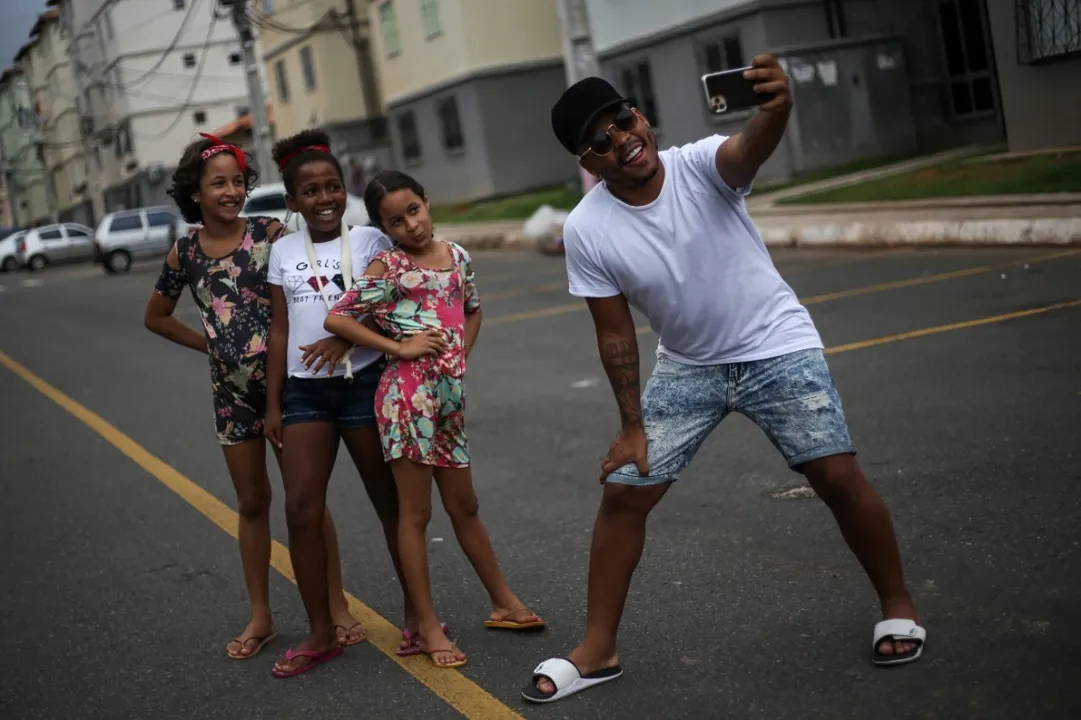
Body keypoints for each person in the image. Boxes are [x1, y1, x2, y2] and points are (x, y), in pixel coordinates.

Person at [522, 56, 925, 704]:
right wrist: (630, 428)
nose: (620, 139)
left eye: (622, 118)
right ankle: (598, 649)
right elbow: (614, 333)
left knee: (836, 476)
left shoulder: (698, 164)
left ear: (640, 115)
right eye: (598, 139)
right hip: (688, 366)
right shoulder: (587, 230)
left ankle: (897, 603)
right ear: (586, 162)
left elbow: (746, 150)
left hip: (774, 344)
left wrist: (776, 107)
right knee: (625, 492)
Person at [143, 133, 366, 664]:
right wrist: (212, 347)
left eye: (238, 181)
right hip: (231, 397)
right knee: (251, 503)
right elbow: (155, 317)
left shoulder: (272, 234)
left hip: (287, 390)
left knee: (305, 505)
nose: (231, 191)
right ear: (195, 192)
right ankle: (261, 616)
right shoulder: (186, 252)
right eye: (218, 182)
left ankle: (336, 607)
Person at [323, 170, 544, 669]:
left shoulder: (457, 256)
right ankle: (425, 625)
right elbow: (337, 319)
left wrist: (458, 357)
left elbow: (472, 311)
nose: (411, 225)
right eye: (395, 221)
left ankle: (504, 602)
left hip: (447, 401)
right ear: (385, 228)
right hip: (405, 401)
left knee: (464, 505)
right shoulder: (389, 267)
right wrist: (399, 347)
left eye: (414, 211)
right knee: (416, 516)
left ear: (426, 202)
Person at [264, 130, 443, 677]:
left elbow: (394, 301)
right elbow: (279, 329)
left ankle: (418, 617)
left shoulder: (370, 241)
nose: (325, 199)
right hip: (305, 393)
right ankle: (322, 631)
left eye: (334, 187)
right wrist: (274, 403)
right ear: (293, 202)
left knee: (390, 506)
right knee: (301, 510)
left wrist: (344, 338)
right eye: (311, 192)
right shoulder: (282, 251)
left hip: (365, 385)